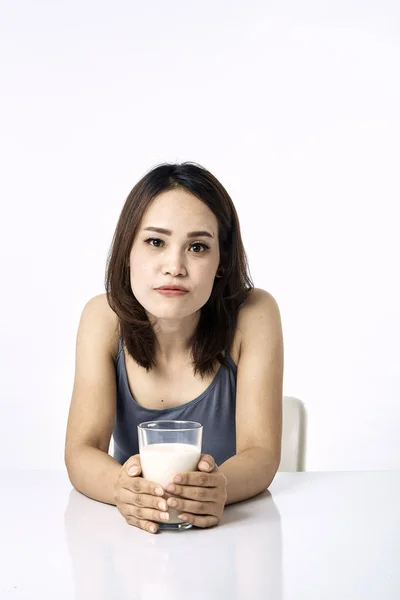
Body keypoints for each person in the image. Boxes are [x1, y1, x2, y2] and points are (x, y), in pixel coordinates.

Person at [64, 162, 284, 534]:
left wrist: (219, 489)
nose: (174, 266)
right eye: (155, 242)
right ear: (128, 250)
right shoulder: (102, 317)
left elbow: (261, 453)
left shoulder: (255, 314)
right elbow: (81, 450)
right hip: (132, 538)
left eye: (197, 247)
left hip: (233, 534)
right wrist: (122, 490)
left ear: (221, 261)